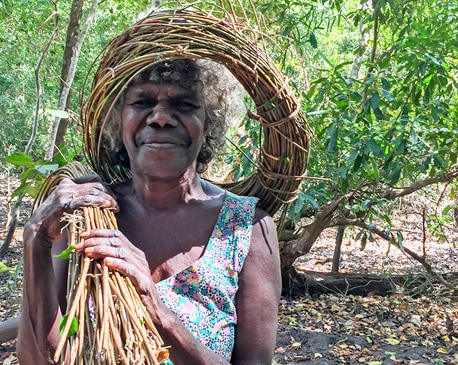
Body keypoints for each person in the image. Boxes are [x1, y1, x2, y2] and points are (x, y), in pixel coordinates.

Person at [16, 43, 281, 364]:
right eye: (142, 102)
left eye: (183, 105)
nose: (160, 118)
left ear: (208, 122)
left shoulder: (247, 228)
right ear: (119, 120)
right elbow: (40, 359)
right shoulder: (85, 216)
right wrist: (36, 238)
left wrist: (157, 310)